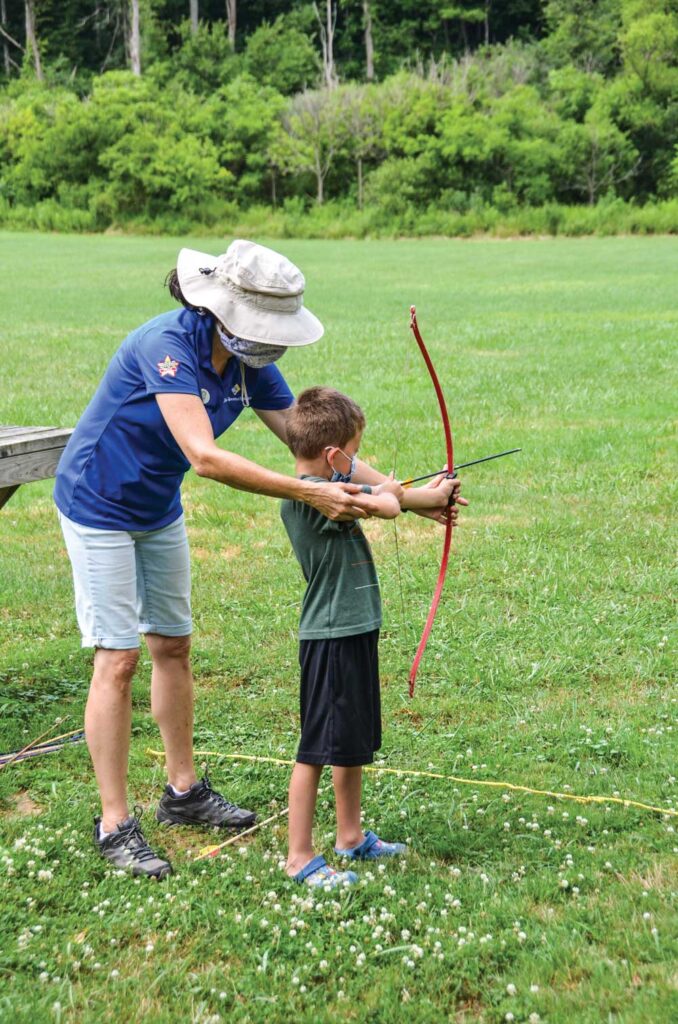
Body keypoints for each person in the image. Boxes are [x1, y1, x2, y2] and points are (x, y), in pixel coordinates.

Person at [54, 240, 379, 879]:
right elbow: (204, 456)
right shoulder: (165, 347)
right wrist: (310, 491)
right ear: (223, 310)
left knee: (172, 647)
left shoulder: (248, 361)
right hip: (97, 502)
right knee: (117, 660)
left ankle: (182, 793)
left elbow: (309, 443)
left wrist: (404, 495)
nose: (275, 343)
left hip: (156, 506)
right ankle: (115, 822)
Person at [280, 387, 463, 888]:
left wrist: (431, 494)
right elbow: (384, 506)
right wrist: (410, 494)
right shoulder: (315, 498)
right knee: (316, 747)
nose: (356, 463)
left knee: (350, 740)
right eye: (353, 454)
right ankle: (298, 857)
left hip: (353, 629)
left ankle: (349, 836)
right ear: (333, 456)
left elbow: (386, 498)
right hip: (330, 637)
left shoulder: (331, 486)